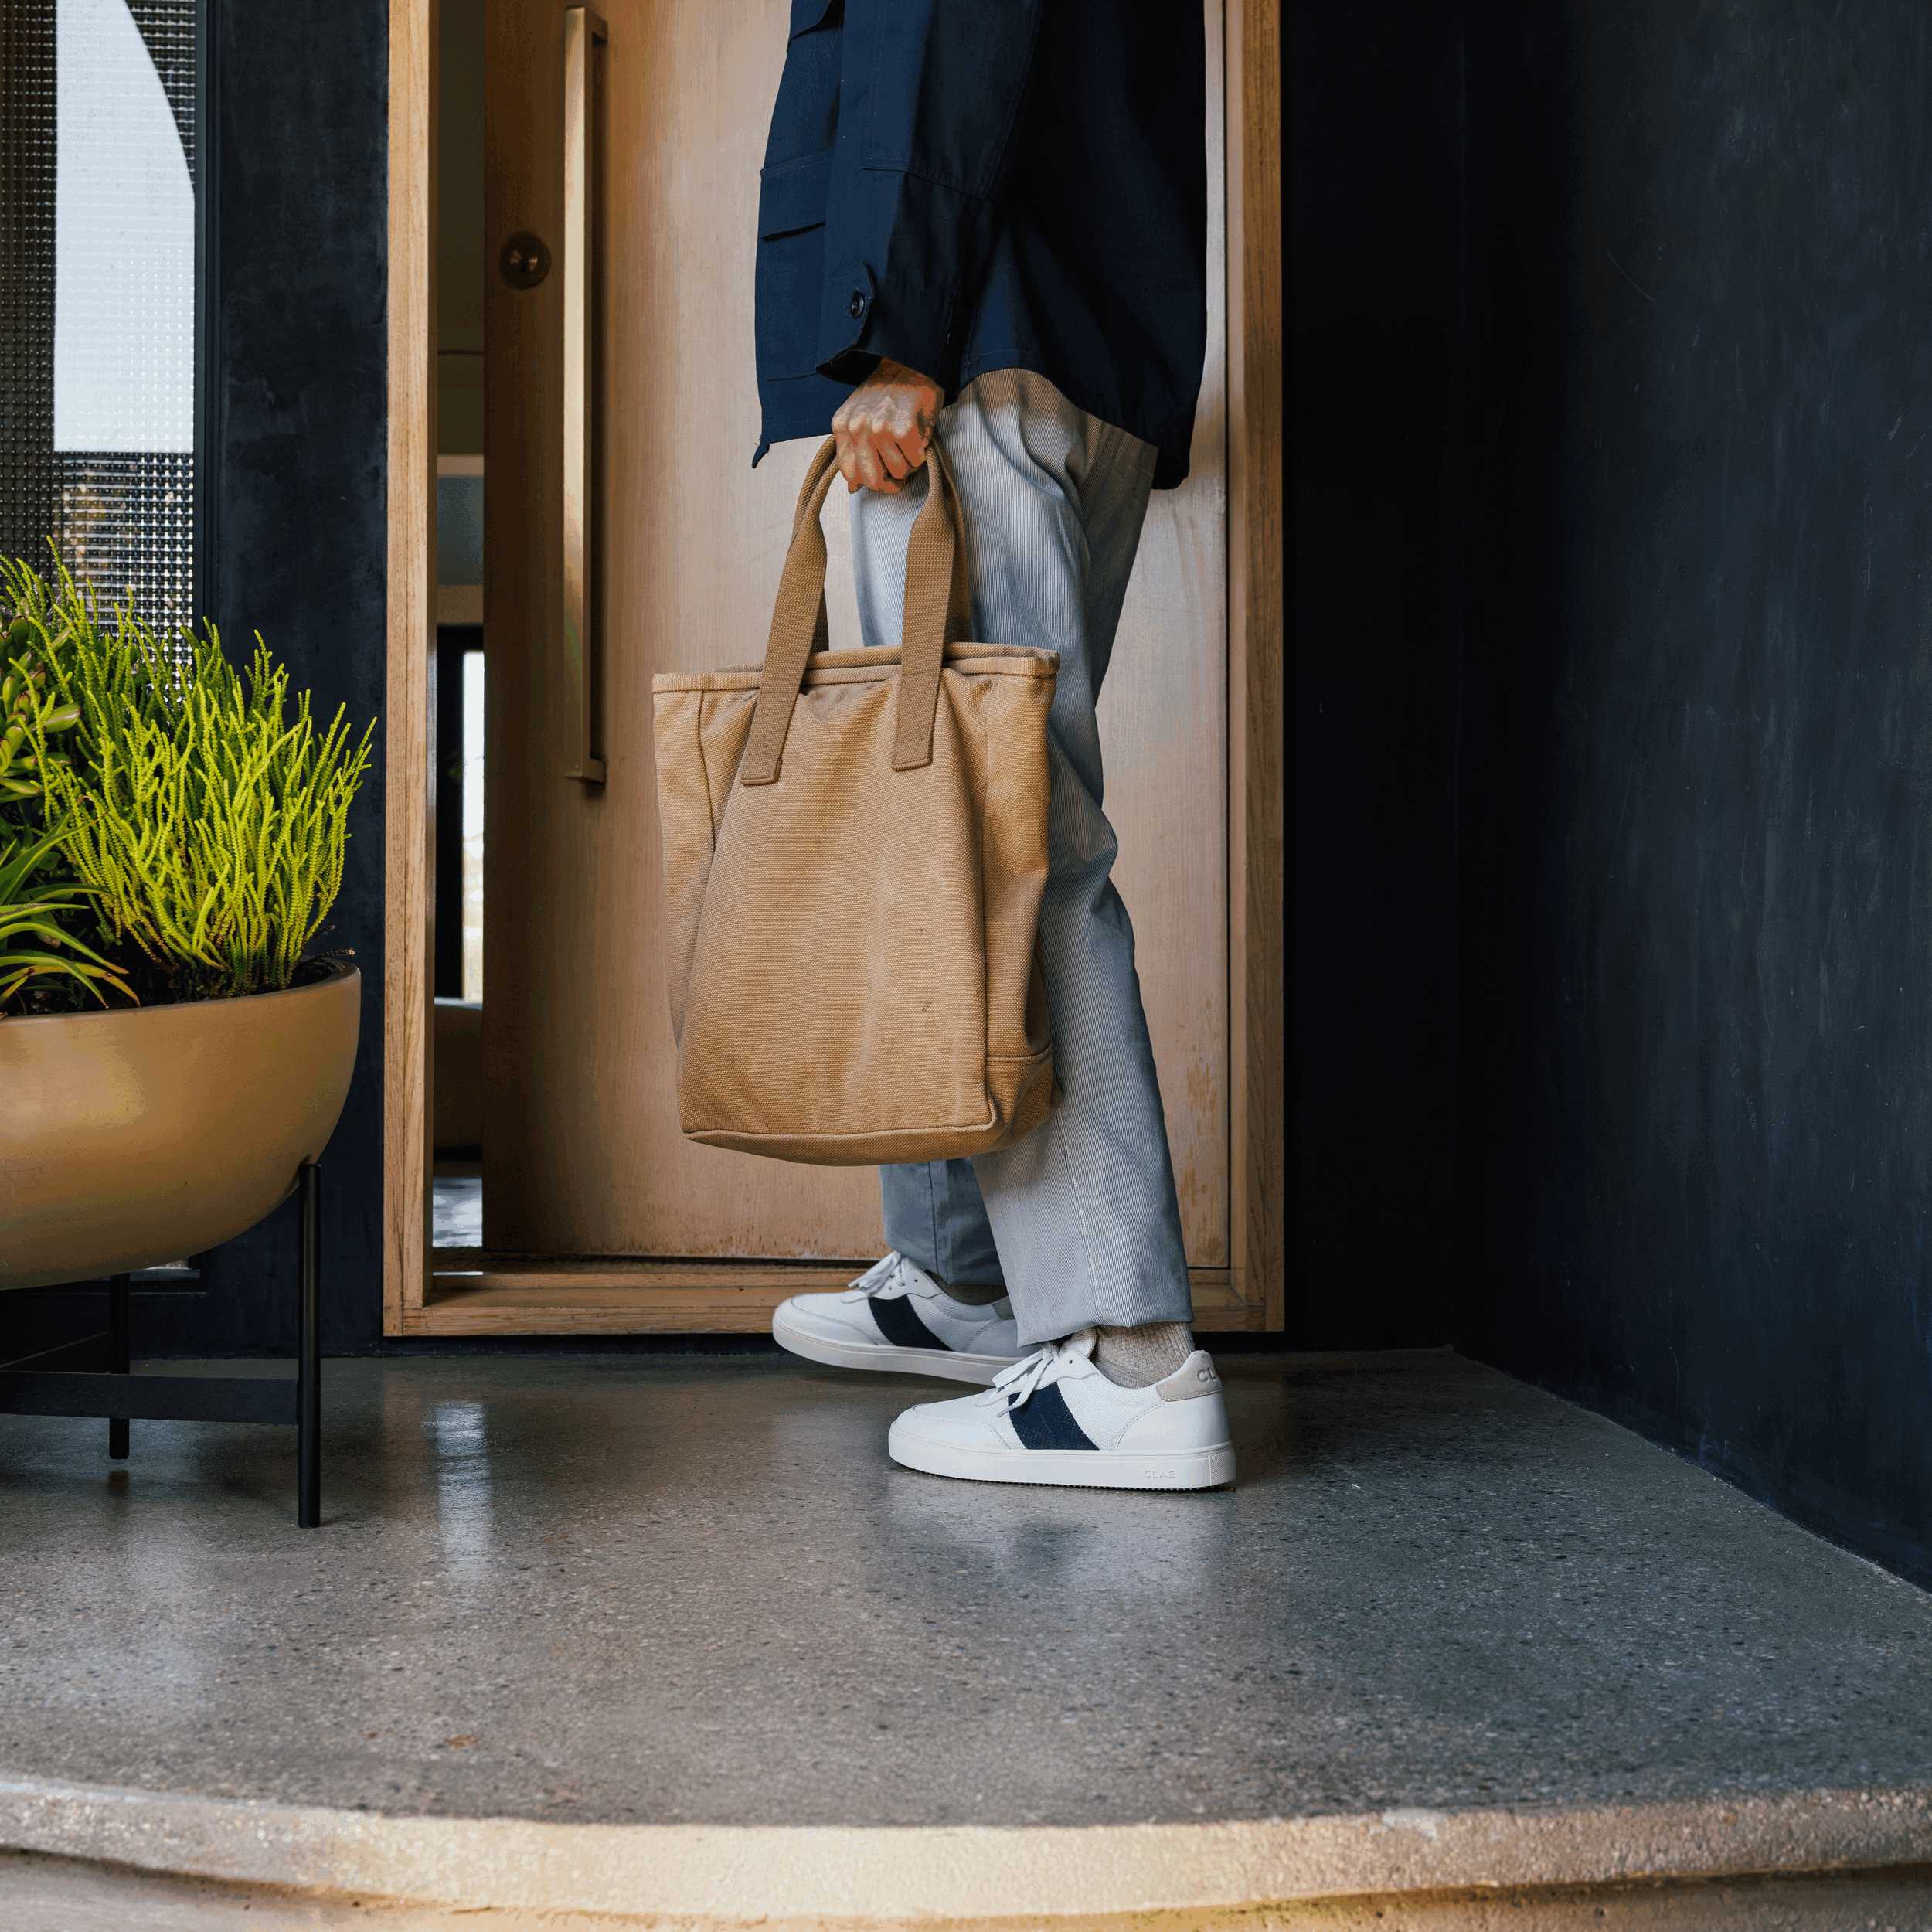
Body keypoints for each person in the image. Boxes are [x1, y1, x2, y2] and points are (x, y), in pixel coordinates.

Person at [754, 1, 1233, 1491]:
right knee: (962, 817)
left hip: (965, 342)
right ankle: (965, 1277)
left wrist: (894, 329)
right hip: (1054, 329)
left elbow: (933, 28)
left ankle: (1125, 1350)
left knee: (998, 827)